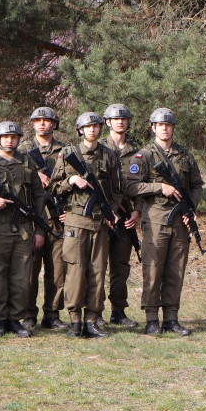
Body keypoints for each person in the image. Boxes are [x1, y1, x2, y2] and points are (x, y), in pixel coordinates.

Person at [125, 108, 203, 336]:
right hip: (155, 217)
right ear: (153, 127)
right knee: (153, 268)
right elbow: (131, 186)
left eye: (168, 125)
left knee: (176, 269)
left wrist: (191, 207)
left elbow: (197, 184)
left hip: (180, 218)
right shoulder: (144, 156)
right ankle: (151, 318)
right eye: (160, 125)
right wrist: (160, 187)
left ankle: (171, 318)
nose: (165, 128)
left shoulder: (185, 155)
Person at [50, 112, 124, 338]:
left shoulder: (110, 155)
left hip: (99, 222)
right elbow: (53, 188)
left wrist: (110, 210)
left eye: (95, 126)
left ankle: (92, 319)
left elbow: (117, 189)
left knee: (98, 271)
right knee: (74, 271)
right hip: (75, 222)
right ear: (80, 130)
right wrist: (71, 181)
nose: (92, 130)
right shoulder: (68, 154)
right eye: (87, 127)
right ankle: (74, 320)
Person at [0, 121, 48, 337]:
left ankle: (15, 319)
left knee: (21, 278)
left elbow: (38, 197)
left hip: (23, 230)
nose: (10, 140)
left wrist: (40, 230)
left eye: (14, 137)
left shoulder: (27, 162)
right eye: (5, 137)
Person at [18, 106, 67, 330]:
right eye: (37, 120)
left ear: (54, 124)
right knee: (30, 269)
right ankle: (28, 314)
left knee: (57, 270)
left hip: (57, 217)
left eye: (47, 120)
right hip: (32, 217)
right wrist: (33, 173)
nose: (42, 124)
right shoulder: (22, 150)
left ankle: (52, 314)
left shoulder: (65, 150)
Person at [102, 103, 141, 327]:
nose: (120, 122)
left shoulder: (137, 153)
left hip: (126, 218)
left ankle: (118, 311)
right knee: (96, 266)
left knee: (120, 266)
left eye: (124, 119)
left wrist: (137, 211)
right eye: (115, 119)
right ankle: (95, 312)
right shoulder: (97, 149)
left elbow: (143, 185)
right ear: (107, 122)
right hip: (102, 216)